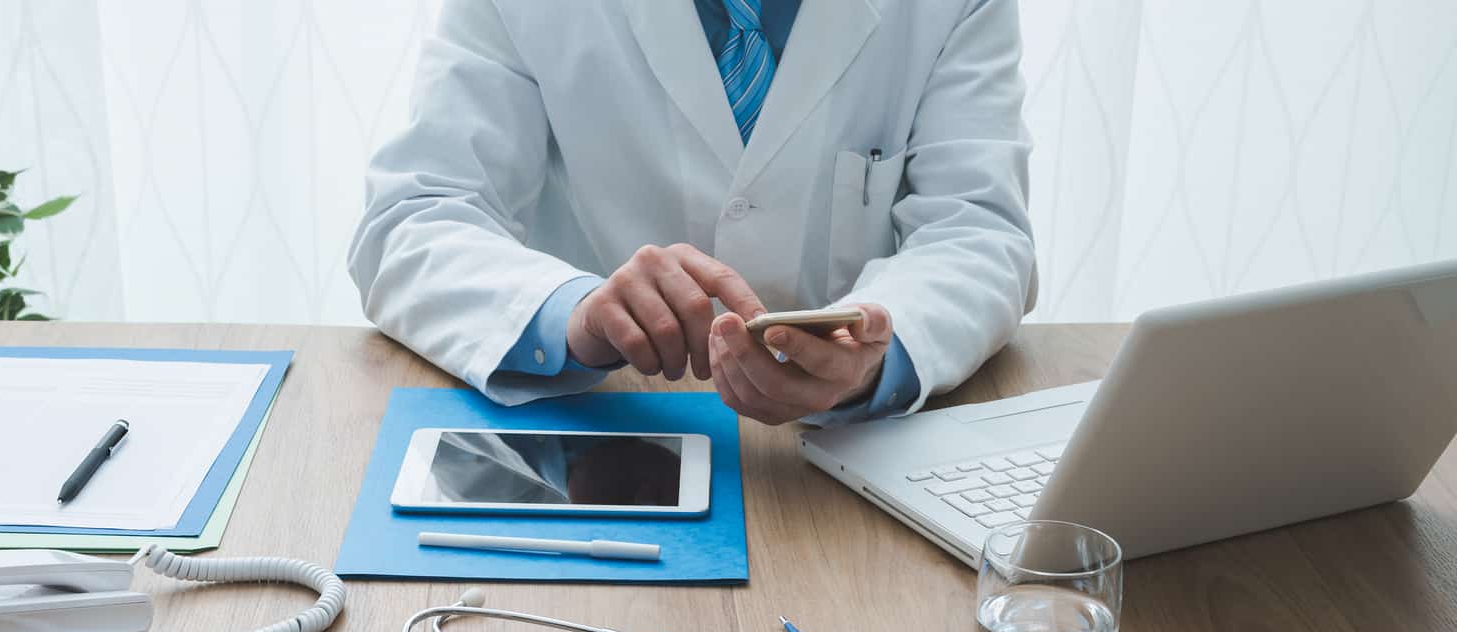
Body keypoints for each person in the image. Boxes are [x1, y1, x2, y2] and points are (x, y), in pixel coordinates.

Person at [349, 0, 1036, 426]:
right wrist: (576, 314)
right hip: (605, 434)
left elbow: (978, 229)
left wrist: (876, 361)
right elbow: (412, 218)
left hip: (847, 464)